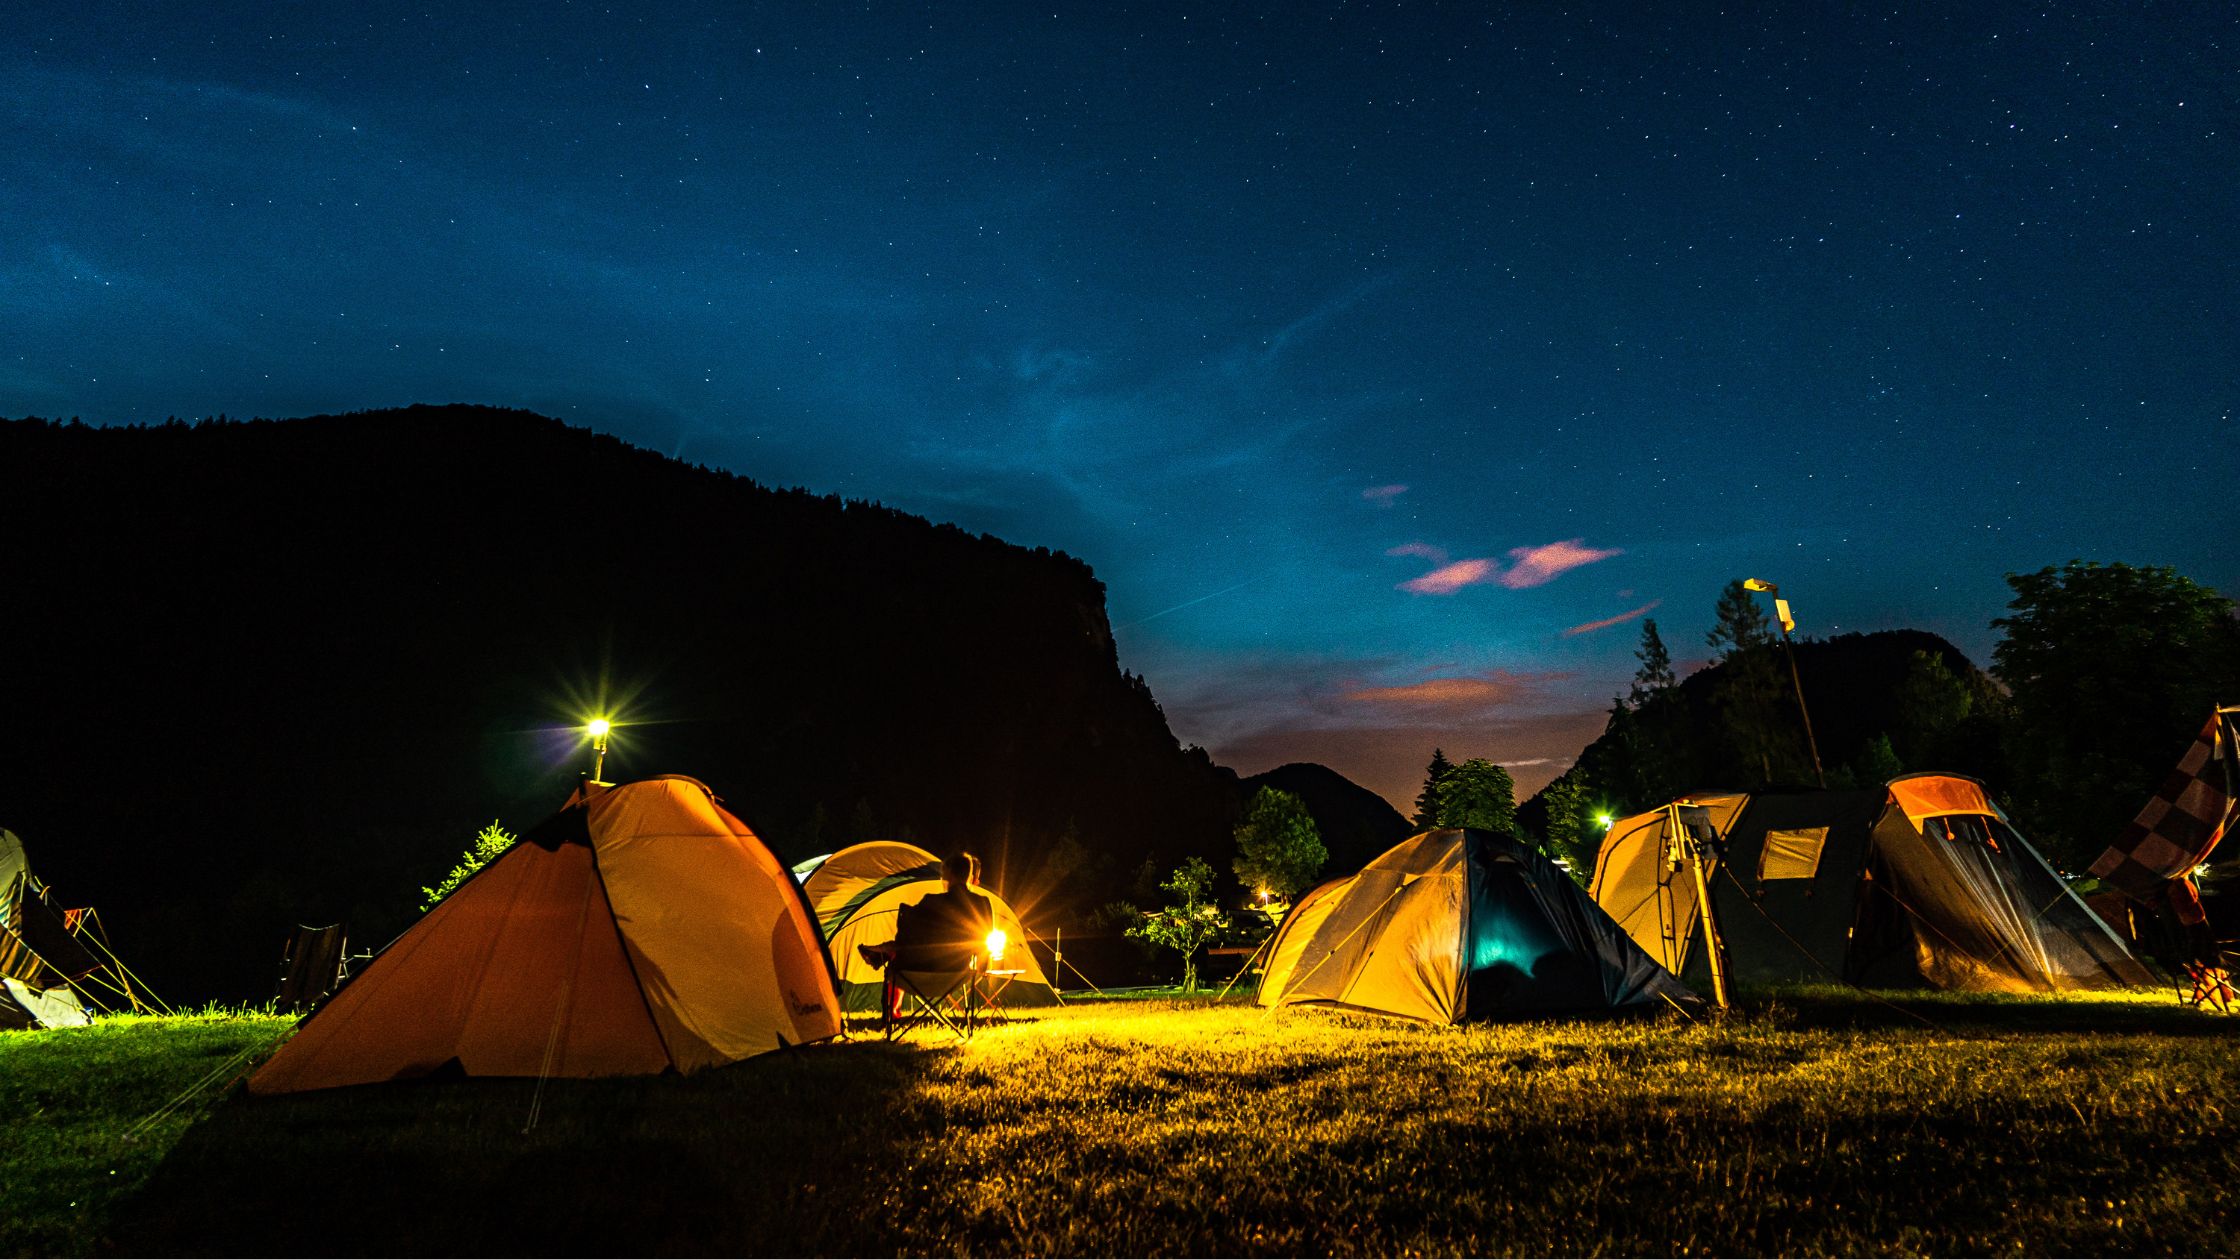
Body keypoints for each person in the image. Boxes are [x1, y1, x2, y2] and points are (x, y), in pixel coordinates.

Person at [857, 852, 995, 1016]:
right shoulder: (983, 903)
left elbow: (906, 938)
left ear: (949, 873)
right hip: (958, 974)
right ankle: (882, 952)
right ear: (968, 874)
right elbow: (985, 942)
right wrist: (984, 965)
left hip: (916, 972)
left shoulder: (931, 901)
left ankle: (883, 957)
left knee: (899, 950)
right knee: (901, 947)